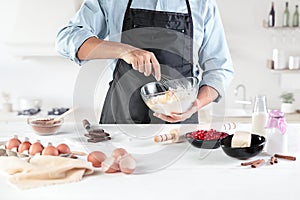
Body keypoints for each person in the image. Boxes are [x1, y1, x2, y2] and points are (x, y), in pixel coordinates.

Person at [56, 0, 234, 124]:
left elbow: (220, 70)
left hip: (180, 124)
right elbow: (67, 39)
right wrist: (124, 50)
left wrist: (196, 104)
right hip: (120, 119)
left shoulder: (202, 4)